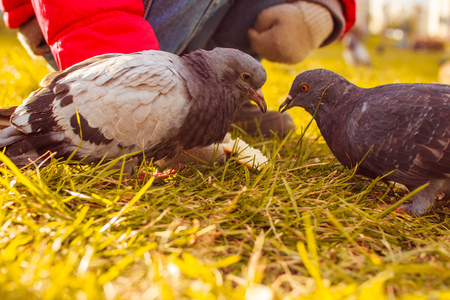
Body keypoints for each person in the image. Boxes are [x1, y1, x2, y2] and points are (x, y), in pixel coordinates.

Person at [0, 0, 356, 138]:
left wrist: (321, 10)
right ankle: (190, 102)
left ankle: (221, 101)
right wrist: (149, 109)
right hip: (86, 23)